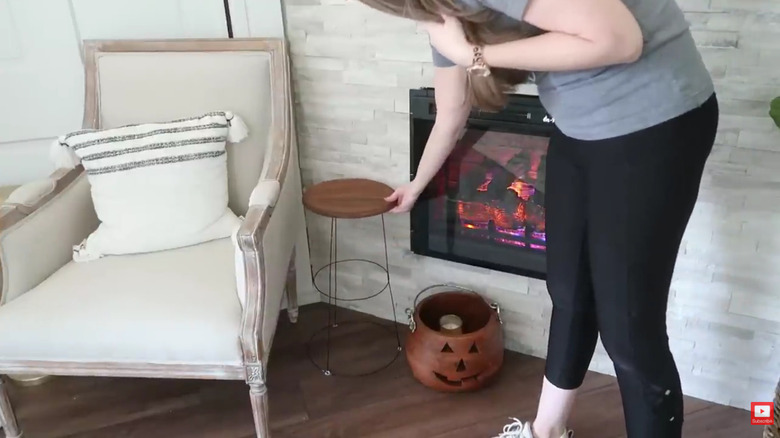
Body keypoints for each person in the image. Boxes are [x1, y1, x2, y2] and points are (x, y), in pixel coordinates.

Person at [357, 0, 719, 437]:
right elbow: (452, 108)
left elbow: (618, 40)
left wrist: (476, 55)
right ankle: (546, 431)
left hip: (654, 121)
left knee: (628, 329)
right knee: (568, 289)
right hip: (578, 127)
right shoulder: (435, 4)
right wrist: (416, 184)